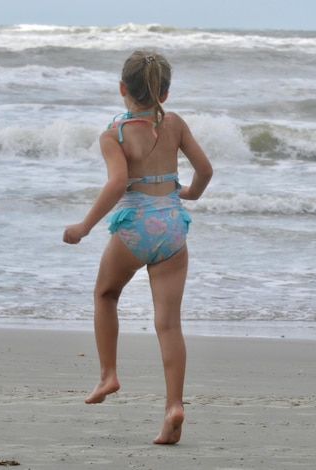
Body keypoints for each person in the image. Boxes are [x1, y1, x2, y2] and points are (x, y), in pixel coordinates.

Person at [62, 50, 213, 445]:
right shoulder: (176, 124)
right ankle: (174, 407)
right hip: (173, 230)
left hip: (134, 230)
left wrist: (84, 226)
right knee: (168, 324)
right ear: (164, 93)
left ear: (121, 89)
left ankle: (108, 374)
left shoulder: (114, 134)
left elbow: (116, 185)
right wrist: (190, 194)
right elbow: (205, 170)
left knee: (106, 294)